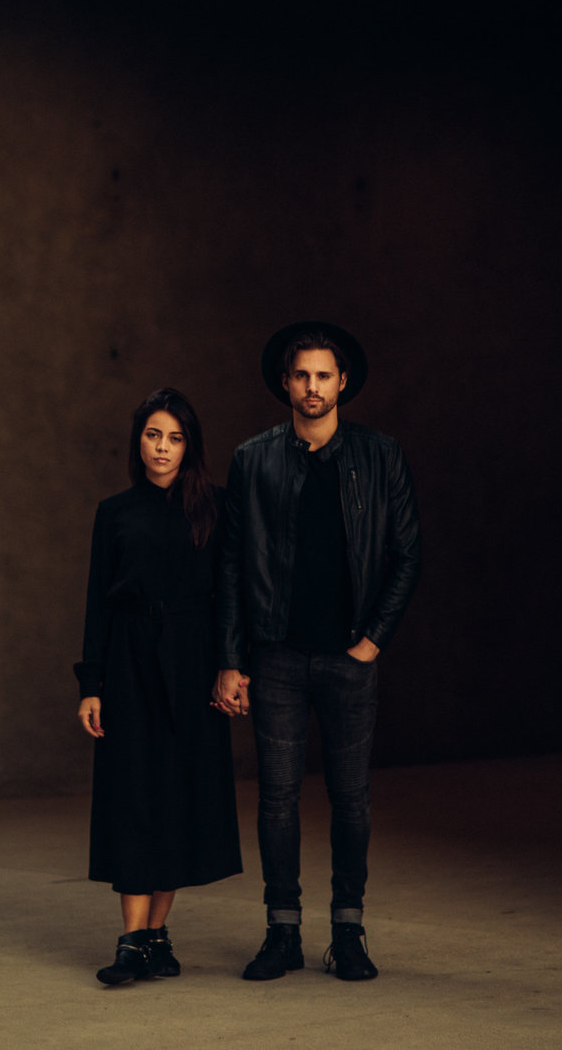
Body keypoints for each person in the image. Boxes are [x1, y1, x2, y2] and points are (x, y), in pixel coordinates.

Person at [214, 321, 421, 983]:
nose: (311, 387)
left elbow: (407, 554)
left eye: (323, 376)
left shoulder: (380, 455)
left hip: (347, 659)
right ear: (285, 381)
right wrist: (231, 658)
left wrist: (372, 640)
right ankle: (281, 934)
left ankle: (349, 933)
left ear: (343, 382)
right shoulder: (253, 459)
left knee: (351, 799)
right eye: (301, 375)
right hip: (275, 656)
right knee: (276, 800)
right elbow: (230, 564)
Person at [76, 387, 242, 986]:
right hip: (127, 664)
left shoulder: (215, 507)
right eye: (152, 435)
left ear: (189, 445)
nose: (162, 448)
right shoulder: (114, 512)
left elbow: (231, 596)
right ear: (137, 442)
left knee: (180, 799)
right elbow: (98, 602)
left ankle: (154, 938)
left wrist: (230, 665)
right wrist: (91, 683)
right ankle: (133, 941)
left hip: (193, 663)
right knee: (132, 797)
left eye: (174, 437)